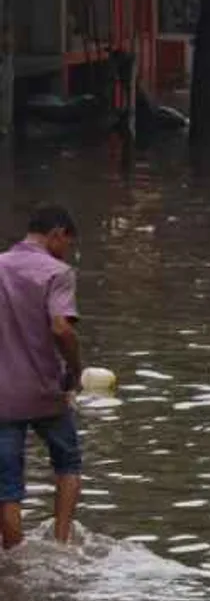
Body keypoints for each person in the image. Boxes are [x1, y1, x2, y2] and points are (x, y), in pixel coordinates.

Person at [0, 205, 84, 549]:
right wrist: (76, 369)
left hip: (2, 397)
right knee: (68, 461)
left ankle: (13, 557)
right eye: (68, 243)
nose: (68, 250)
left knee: (7, 485)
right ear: (57, 234)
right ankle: (62, 544)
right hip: (46, 391)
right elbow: (61, 328)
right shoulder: (58, 272)